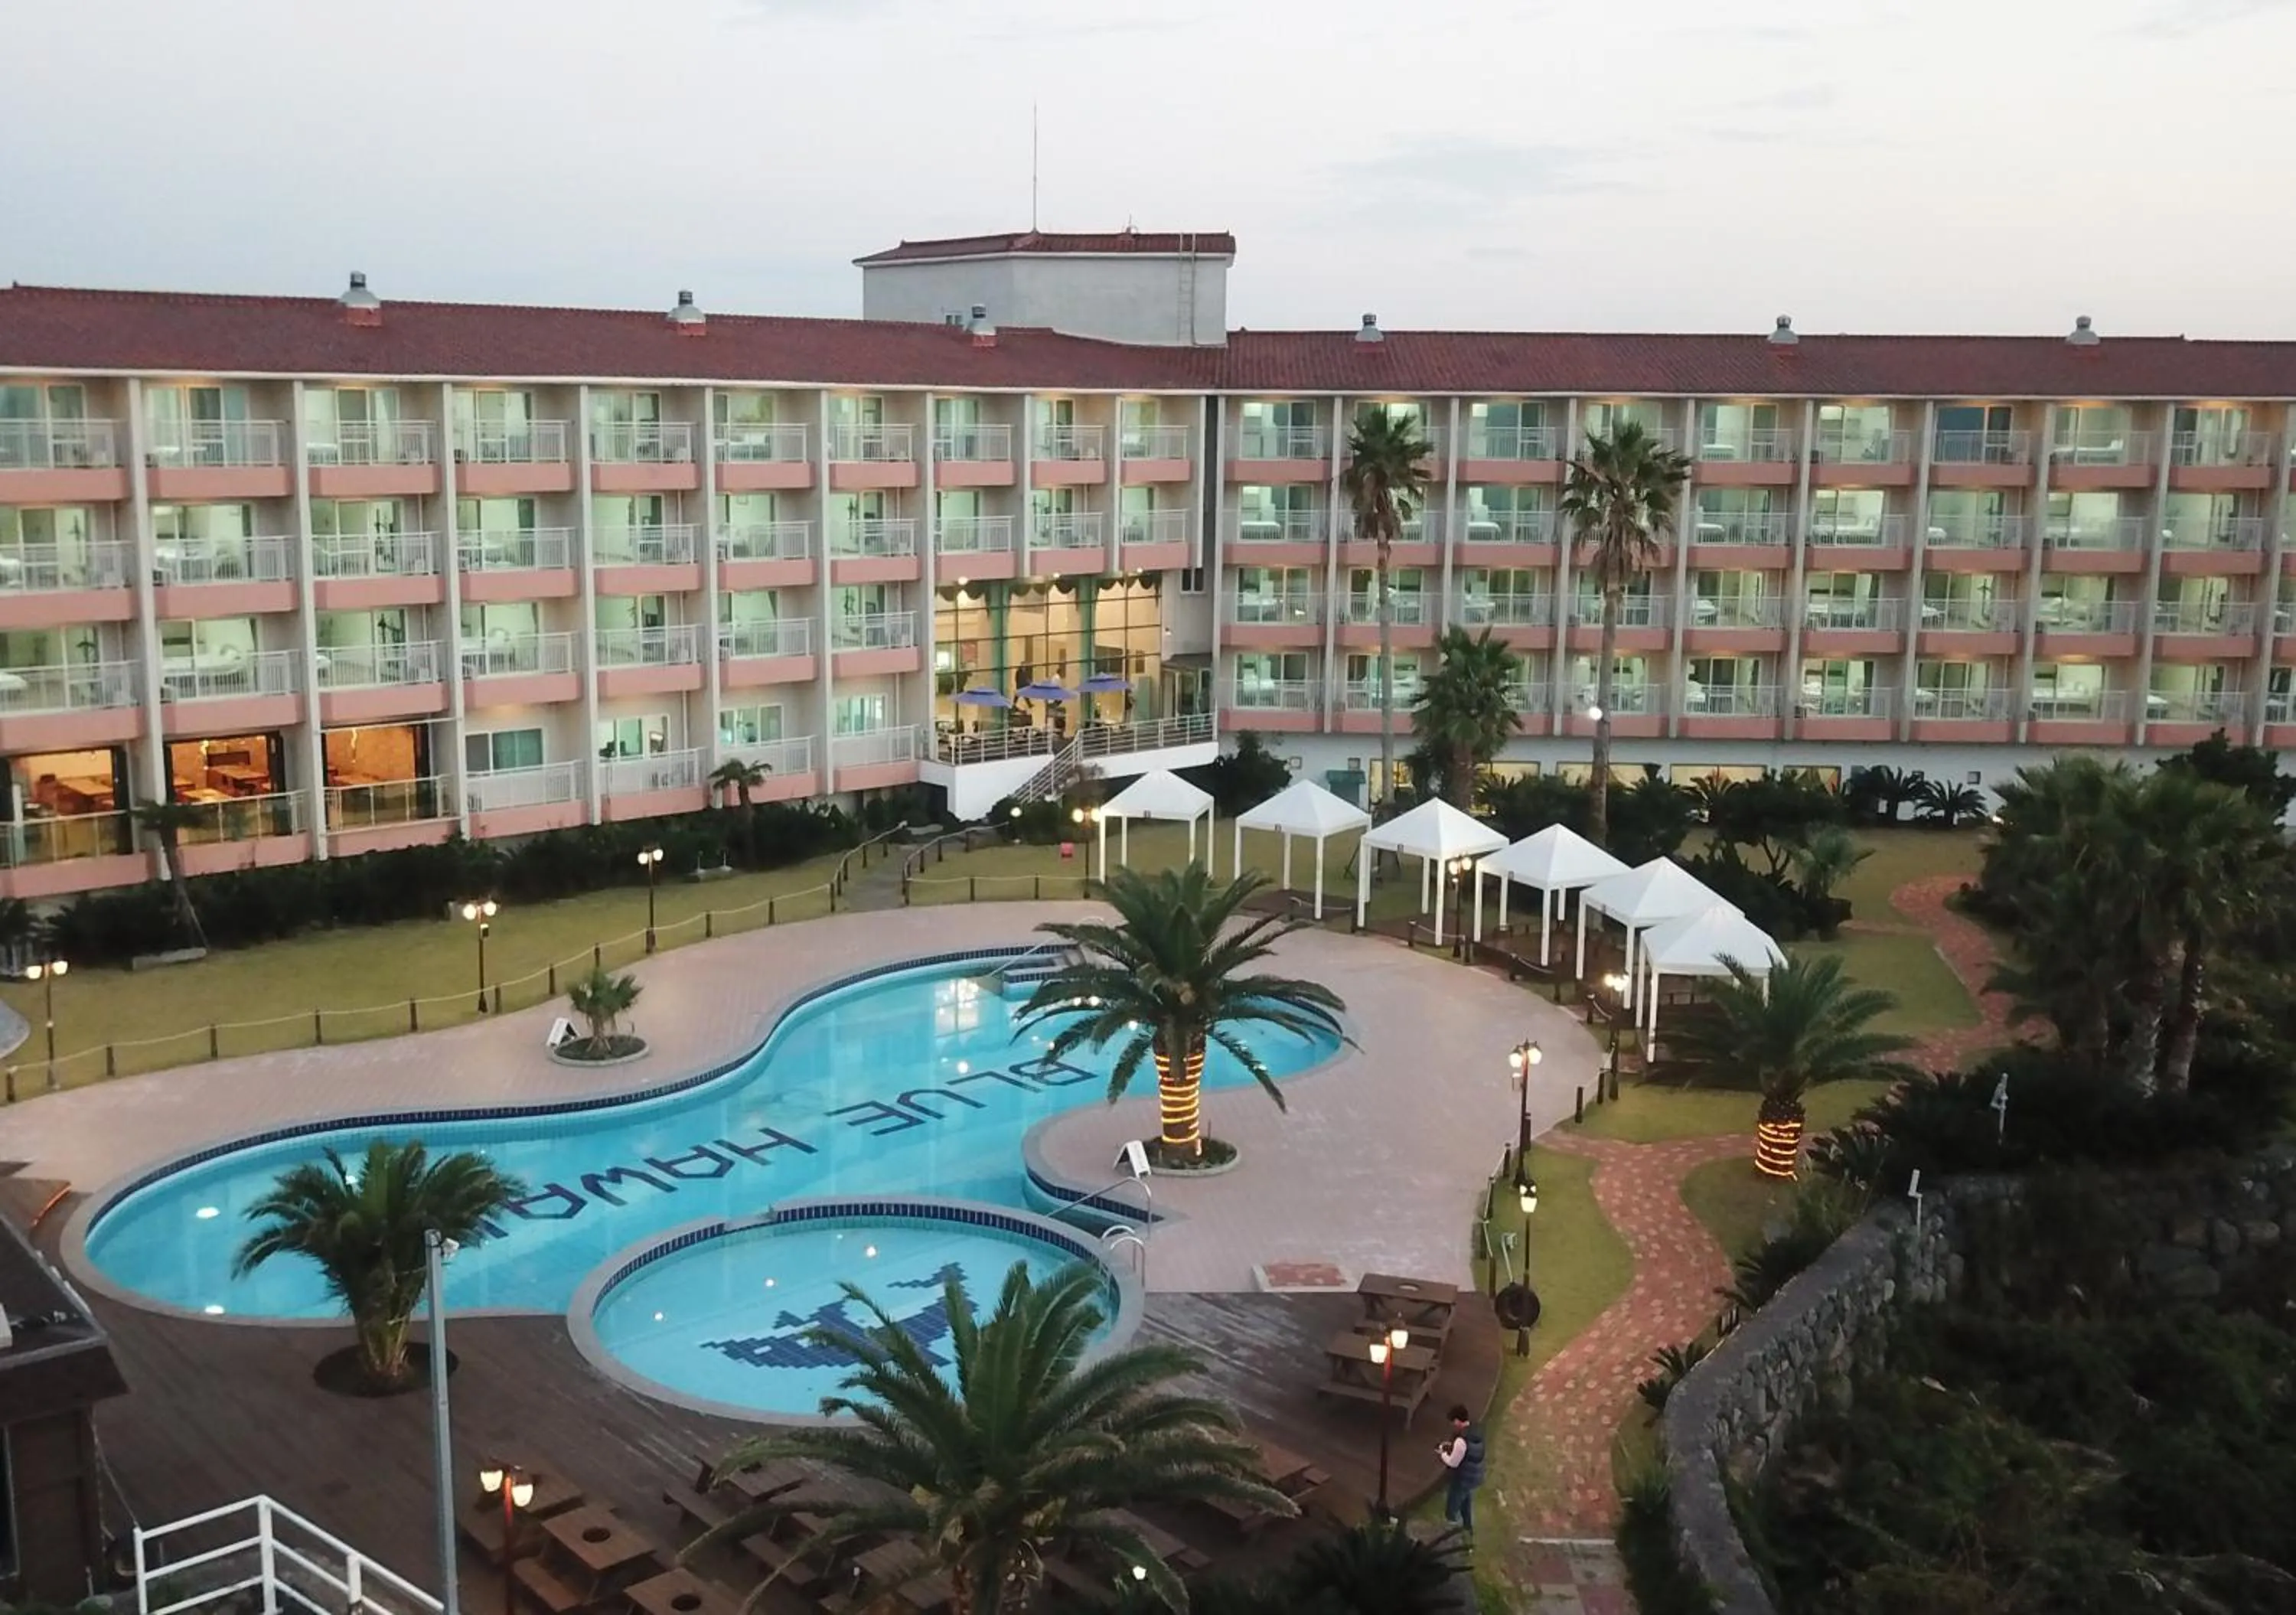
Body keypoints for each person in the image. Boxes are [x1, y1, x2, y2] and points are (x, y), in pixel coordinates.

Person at [1437, 1404, 1486, 1535]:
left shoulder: (1461, 1440)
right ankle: (1468, 1527)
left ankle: (1452, 1532)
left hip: (1462, 1477)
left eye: (1453, 1422)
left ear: (1458, 1421)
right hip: (1475, 1475)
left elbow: (1453, 1463)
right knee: (1466, 1502)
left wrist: (1442, 1454)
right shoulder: (1476, 1430)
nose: (1453, 1425)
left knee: (1452, 1508)